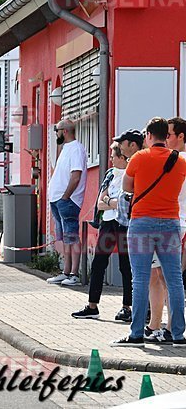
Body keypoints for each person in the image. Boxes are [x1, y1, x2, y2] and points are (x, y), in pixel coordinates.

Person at [112, 117, 186, 347]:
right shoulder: (181, 161)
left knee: (141, 279)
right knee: (174, 280)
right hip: (171, 222)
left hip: (142, 222)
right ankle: (178, 334)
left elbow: (126, 187)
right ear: (167, 136)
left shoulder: (139, 158)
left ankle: (136, 335)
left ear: (148, 136)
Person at [72, 141, 135, 320]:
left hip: (124, 224)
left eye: (113, 156)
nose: (110, 159)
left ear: (122, 157)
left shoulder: (130, 174)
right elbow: (100, 202)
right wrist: (112, 202)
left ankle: (127, 307)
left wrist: (111, 202)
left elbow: (127, 203)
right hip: (107, 223)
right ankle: (92, 305)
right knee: (99, 262)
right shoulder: (110, 174)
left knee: (126, 265)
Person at [145, 117, 186, 343]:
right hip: (168, 222)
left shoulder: (180, 160)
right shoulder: (170, 158)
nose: (166, 139)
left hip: (177, 223)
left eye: (169, 135)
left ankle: (172, 328)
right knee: (158, 276)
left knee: (170, 278)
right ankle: (156, 325)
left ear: (181, 136)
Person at [46, 119, 88, 286]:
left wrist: (65, 197)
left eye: (57, 130)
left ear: (64, 131)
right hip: (58, 200)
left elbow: (75, 176)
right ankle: (66, 271)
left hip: (67, 200)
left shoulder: (76, 149)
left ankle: (74, 274)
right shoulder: (65, 149)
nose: (55, 133)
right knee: (64, 237)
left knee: (72, 236)